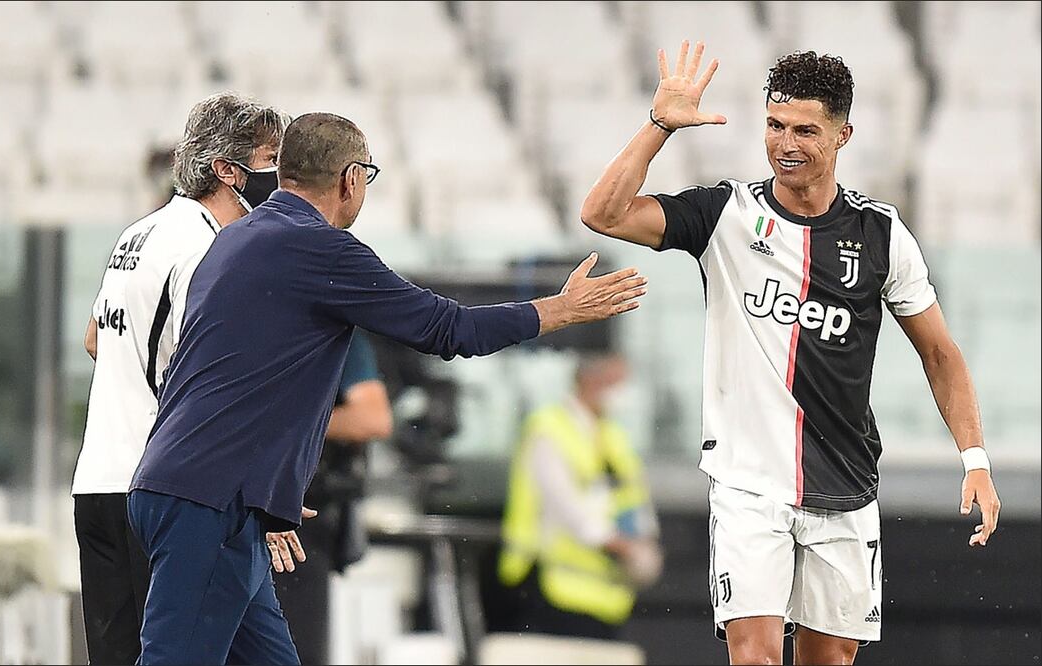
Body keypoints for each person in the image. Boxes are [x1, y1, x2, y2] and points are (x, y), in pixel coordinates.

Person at [125, 112, 649, 665]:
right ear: (351, 178)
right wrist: (556, 311)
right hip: (212, 501)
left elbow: (211, 378)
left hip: (195, 489)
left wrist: (266, 489)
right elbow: (448, 329)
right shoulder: (321, 250)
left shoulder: (233, 242)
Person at [579, 43, 1002, 665]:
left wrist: (975, 458)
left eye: (806, 130)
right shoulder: (725, 213)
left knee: (828, 660)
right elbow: (602, 213)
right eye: (775, 126)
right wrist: (660, 125)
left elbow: (940, 354)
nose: (786, 144)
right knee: (755, 655)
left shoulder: (881, 234)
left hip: (845, 485)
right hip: (747, 481)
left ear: (843, 134)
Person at [71, 92, 286, 665]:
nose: (280, 176)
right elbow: (207, 378)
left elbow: (96, 338)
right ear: (225, 168)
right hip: (167, 493)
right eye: (270, 159)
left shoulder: (138, 233)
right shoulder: (207, 249)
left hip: (97, 481)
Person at [498, 354, 661, 640]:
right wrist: (624, 547)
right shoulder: (548, 428)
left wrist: (644, 543)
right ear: (589, 381)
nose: (622, 393)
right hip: (551, 588)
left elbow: (635, 499)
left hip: (609, 597)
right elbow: (568, 509)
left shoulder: (614, 436)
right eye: (615, 383)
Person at [276, 330, 394, 665]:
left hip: (301, 522)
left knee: (294, 651)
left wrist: (278, 423)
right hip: (236, 517)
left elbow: (373, 418)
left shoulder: (334, 334)